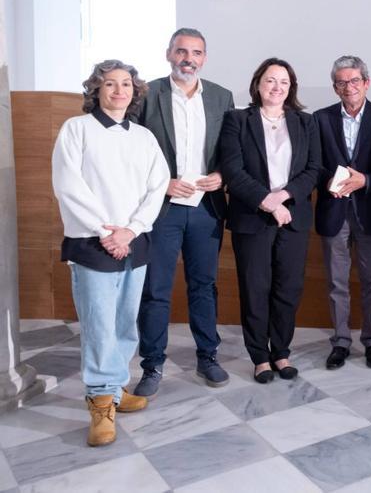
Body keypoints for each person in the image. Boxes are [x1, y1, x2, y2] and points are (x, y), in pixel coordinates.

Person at [51, 59, 168, 446]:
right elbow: (69, 185)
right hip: (93, 242)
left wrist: (130, 230)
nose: (119, 90)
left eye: (126, 84)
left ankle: (116, 390)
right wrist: (108, 232)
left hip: (134, 240)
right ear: (96, 90)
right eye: (110, 84)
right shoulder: (77, 130)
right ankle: (100, 403)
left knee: (124, 321)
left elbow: (158, 186)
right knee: (99, 324)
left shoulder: (144, 137)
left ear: (135, 92)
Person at [133, 28, 234, 397]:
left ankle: (208, 356)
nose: (188, 58)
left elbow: (229, 147)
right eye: (181, 51)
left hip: (206, 209)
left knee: (204, 285)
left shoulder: (222, 97)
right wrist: (163, 184)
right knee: (156, 289)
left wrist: (222, 175)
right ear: (168, 54)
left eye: (196, 52)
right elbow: (135, 153)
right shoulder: (147, 94)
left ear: (204, 58)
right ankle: (152, 364)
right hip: (162, 209)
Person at [220, 58, 321, 384]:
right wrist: (268, 202)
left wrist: (284, 196)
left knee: (288, 288)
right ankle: (259, 358)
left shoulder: (306, 123)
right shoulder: (237, 120)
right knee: (255, 288)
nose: (277, 87)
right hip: (253, 218)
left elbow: (314, 170)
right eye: (270, 81)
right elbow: (234, 171)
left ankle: (281, 351)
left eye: (284, 82)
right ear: (258, 84)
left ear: (291, 88)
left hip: (293, 217)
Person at [314, 56, 371, 371]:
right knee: (337, 282)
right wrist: (330, 182)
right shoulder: (319, 119)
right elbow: (313, 164)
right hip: (334, 211)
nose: (349, 87)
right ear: (335, 87)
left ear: (366, 83)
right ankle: (341, 342)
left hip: (370, 211)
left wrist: (367, 181)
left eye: (354, 81)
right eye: (342, 82)